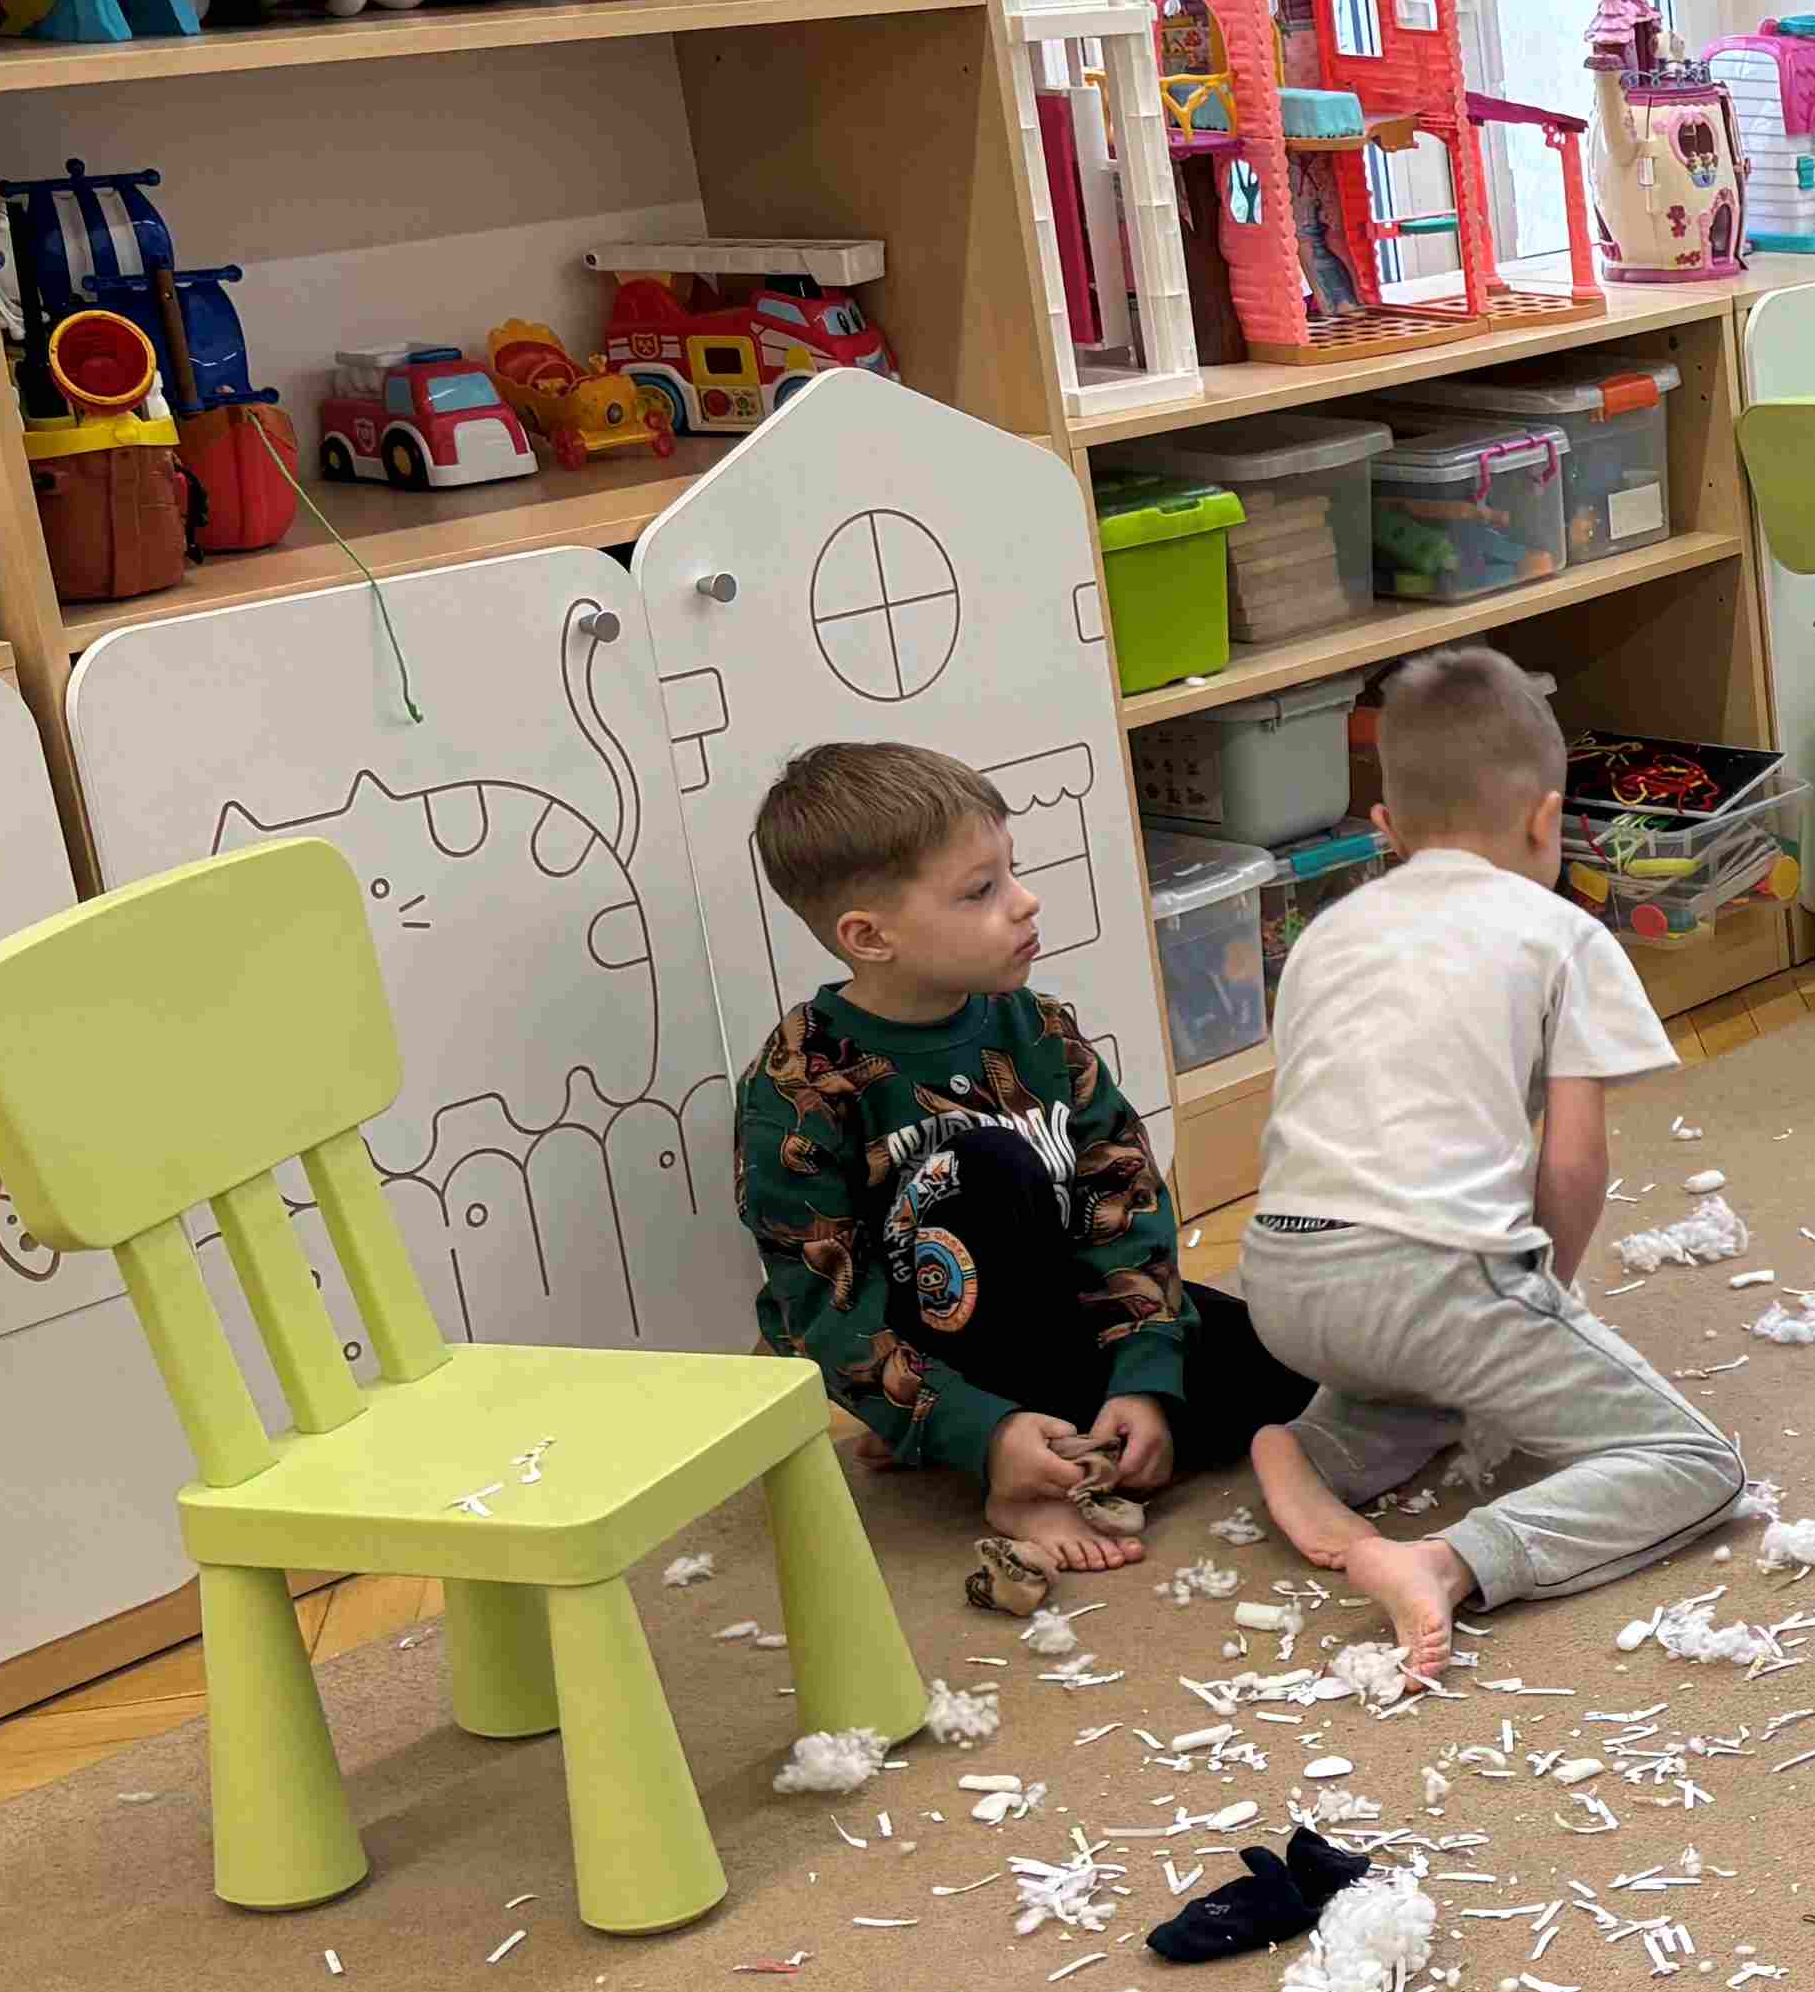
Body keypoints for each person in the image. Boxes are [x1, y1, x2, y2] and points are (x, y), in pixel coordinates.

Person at [1242, 647, 1742, 1679]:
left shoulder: (1326, 936)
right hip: (1427, 1276)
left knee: (1429, 1370)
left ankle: (1309, 1449)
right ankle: (1449, 1561)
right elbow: (1574, 1162)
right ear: (1547, 821)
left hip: (1282, 1279)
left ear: (1386, 830)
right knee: (1694, 1461)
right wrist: (1544, 1295)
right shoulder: (1559, 933)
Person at [735, 740, 1304, 1588]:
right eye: (981, 890)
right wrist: (975, 1424)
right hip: (936, 1346)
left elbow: (1124, 1199)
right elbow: (824, 1308)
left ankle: (1067, 1431)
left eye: (1013, 870)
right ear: (870, 937)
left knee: (1297, 1369)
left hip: (1066, 1317)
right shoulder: (801, 1086)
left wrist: (1145, 1375)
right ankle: (999, 1454)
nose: (1025, 900)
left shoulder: (1038, 1028)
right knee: (986, 1165)